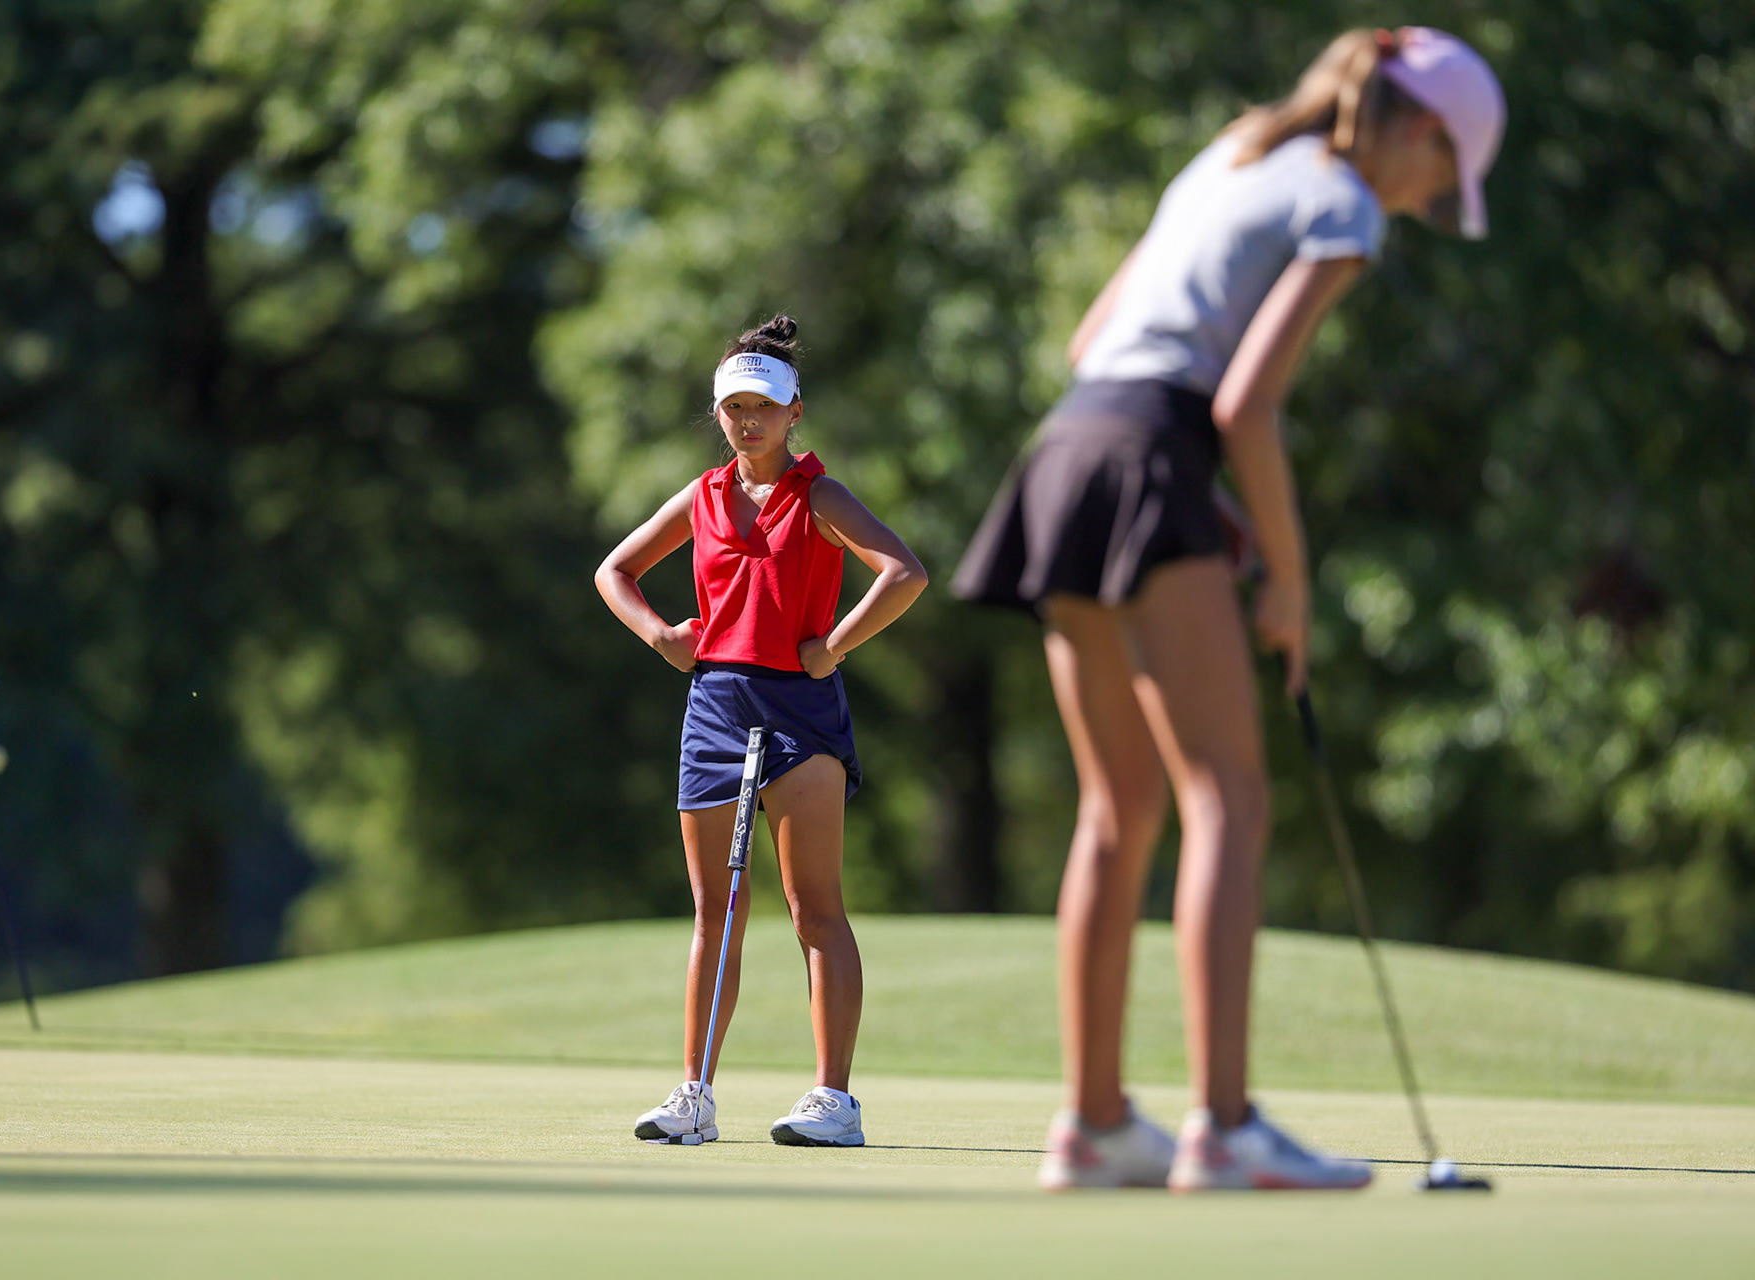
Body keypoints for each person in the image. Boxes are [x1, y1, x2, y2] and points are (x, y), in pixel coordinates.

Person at [952, 27, 1504, 1190]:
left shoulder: (1229, 158)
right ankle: (1226, 1125)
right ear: (1414, 130)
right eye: (1440, 178)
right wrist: (1290, 577)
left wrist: (1209, 501)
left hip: (1070, 447)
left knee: (1120, 806)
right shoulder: (1345, 204)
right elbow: (1247, 404)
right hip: (1152, 453)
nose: (1422, 204)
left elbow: (1092, 337)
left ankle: (1096, 1126)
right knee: (1230, 795)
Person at [597, 315, 928, 1147]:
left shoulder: (818, 495)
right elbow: (616, 571)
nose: (749, 421)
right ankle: (695, 1094)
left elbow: (905, 572)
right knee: (717, 911)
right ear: (719, 414)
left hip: (800, 710)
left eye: (765, 407)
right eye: (735, 407)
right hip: (714, 707)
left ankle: (834, 1102)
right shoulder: (702, 497)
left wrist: (836, 645)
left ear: (795, 413)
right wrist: (662, 637)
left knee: (815, 911)